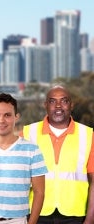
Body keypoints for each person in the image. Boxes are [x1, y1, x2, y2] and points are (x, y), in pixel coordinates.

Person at [21, 85, 94, 224]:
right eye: (53, 101)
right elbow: (18, 179)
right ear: (46, 105)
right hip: (36, 215)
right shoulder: (28, 133)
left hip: (75, 216)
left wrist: (90, 219)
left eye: (64, 101)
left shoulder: (88, 135)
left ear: (71, 105)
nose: (58, 106)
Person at [0, 93, 47, 224]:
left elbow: (39, 192)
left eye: (7, 115)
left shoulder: (32, 150)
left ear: (16, 117)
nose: (1, 120)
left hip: (18, 220)